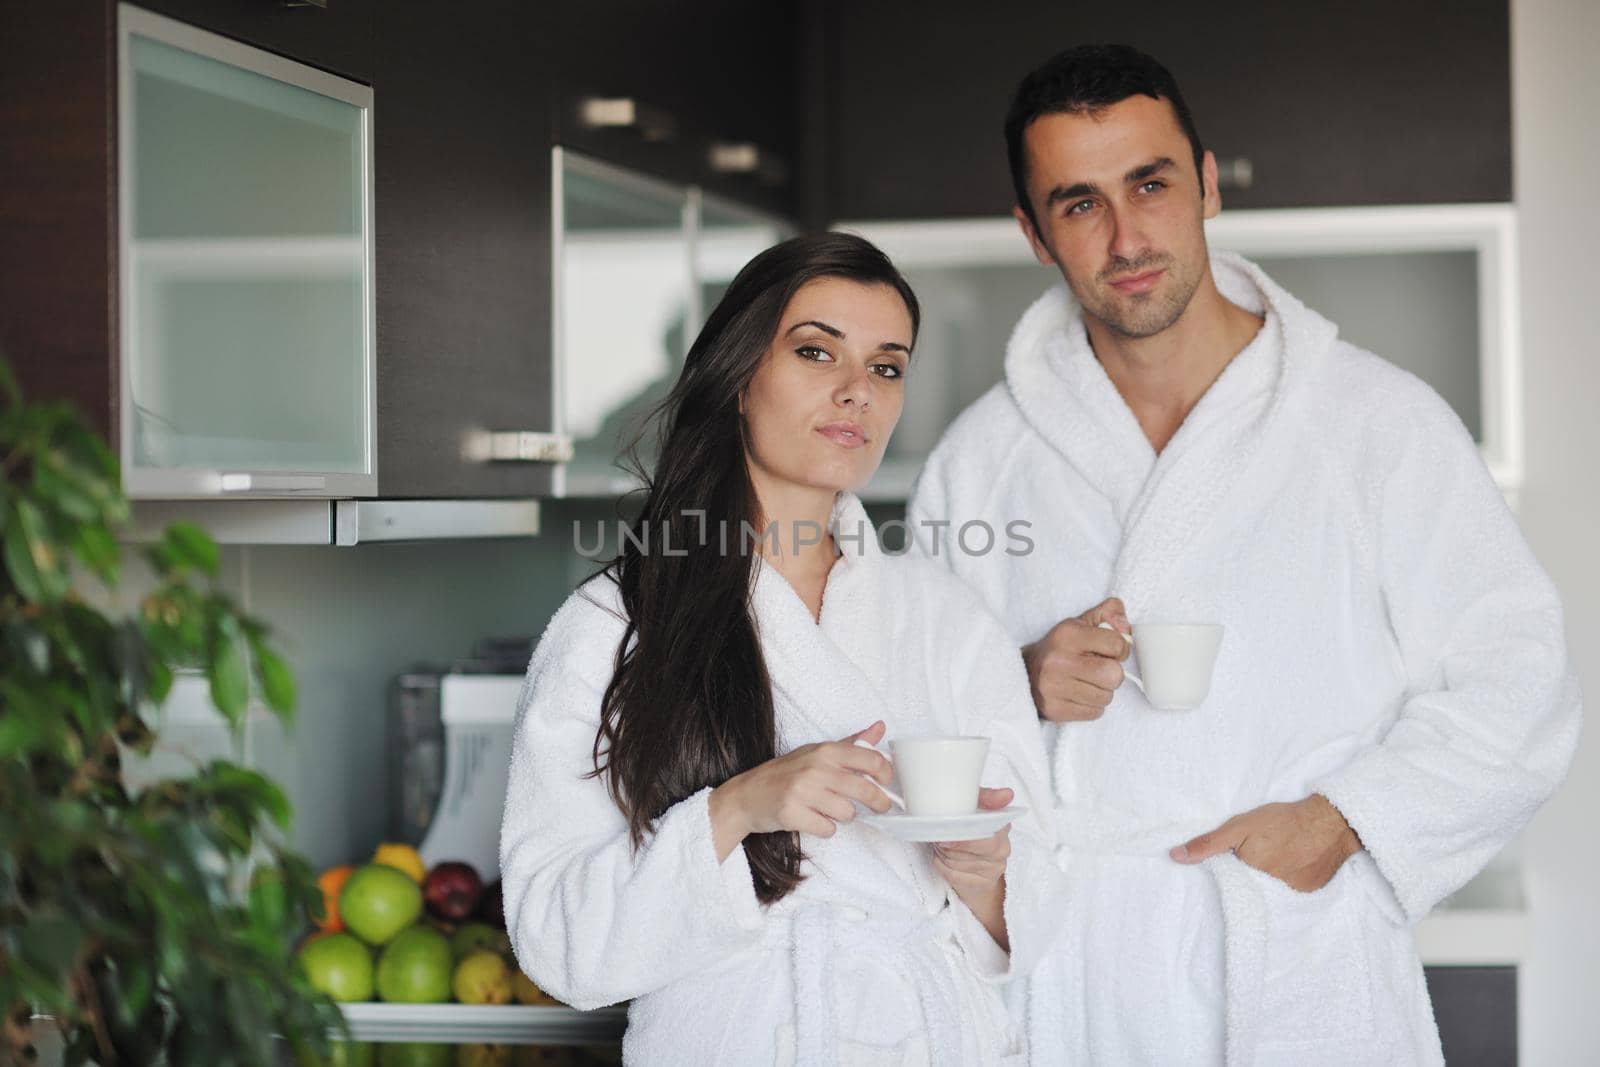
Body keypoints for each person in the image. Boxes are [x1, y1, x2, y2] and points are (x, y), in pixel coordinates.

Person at [908, 44, 1582, 1065]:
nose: (1127, 236)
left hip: (1293, 957)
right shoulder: (979, 462)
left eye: (1150, 183)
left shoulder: (1374, 421)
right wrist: (1014, 682)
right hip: (1077, 982)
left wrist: (1344, 820)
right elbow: (918, 731)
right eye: (1079, 203)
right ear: (1033, 235)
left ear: (1207, 183)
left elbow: (1519, 678)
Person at [500, 233, 1065, 1065]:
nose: (856, 393)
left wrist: (984, 876)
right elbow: (560, 944)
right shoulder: (614, 626)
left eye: (886, 367)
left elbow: (1039, 894)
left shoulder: (948, 617)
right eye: (815, 352)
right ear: (738, 376)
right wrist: (736, 809)